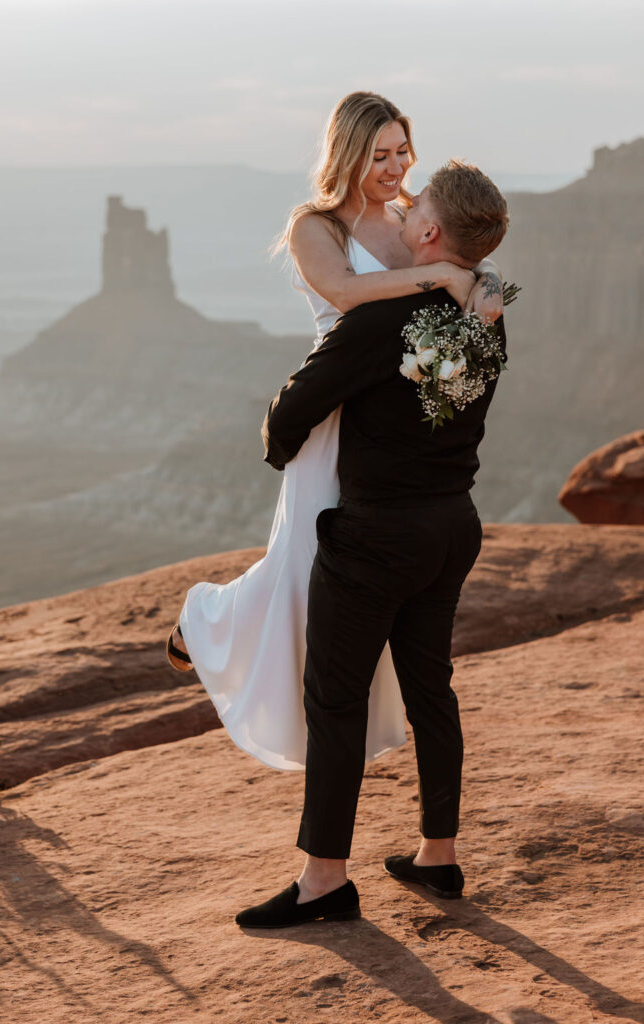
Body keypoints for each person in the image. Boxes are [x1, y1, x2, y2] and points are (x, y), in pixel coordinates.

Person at [166, 92, 503, 772]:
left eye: (402, 151)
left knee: (341, 578)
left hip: (394, 422)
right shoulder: (312, 226)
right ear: (346, 153)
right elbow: (347, 294)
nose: (393, 166)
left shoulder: (413, 216)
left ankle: (336, 705)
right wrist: (437, 273)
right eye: (378, 154)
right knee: (302, 562)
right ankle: (206, 627)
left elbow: (464, 256)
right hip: (334, 413)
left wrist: (485, 280)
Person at [234, 159, 509, 928]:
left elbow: (294, 407)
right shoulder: (488, 309)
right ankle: (437, 856)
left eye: (412, 201)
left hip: (375, 536)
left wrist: (286, 456)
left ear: (426, 233)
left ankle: (323, 880)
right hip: (452, 524)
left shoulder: (384, 319)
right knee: (431, 689)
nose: (401, 200)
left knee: (334, 699)